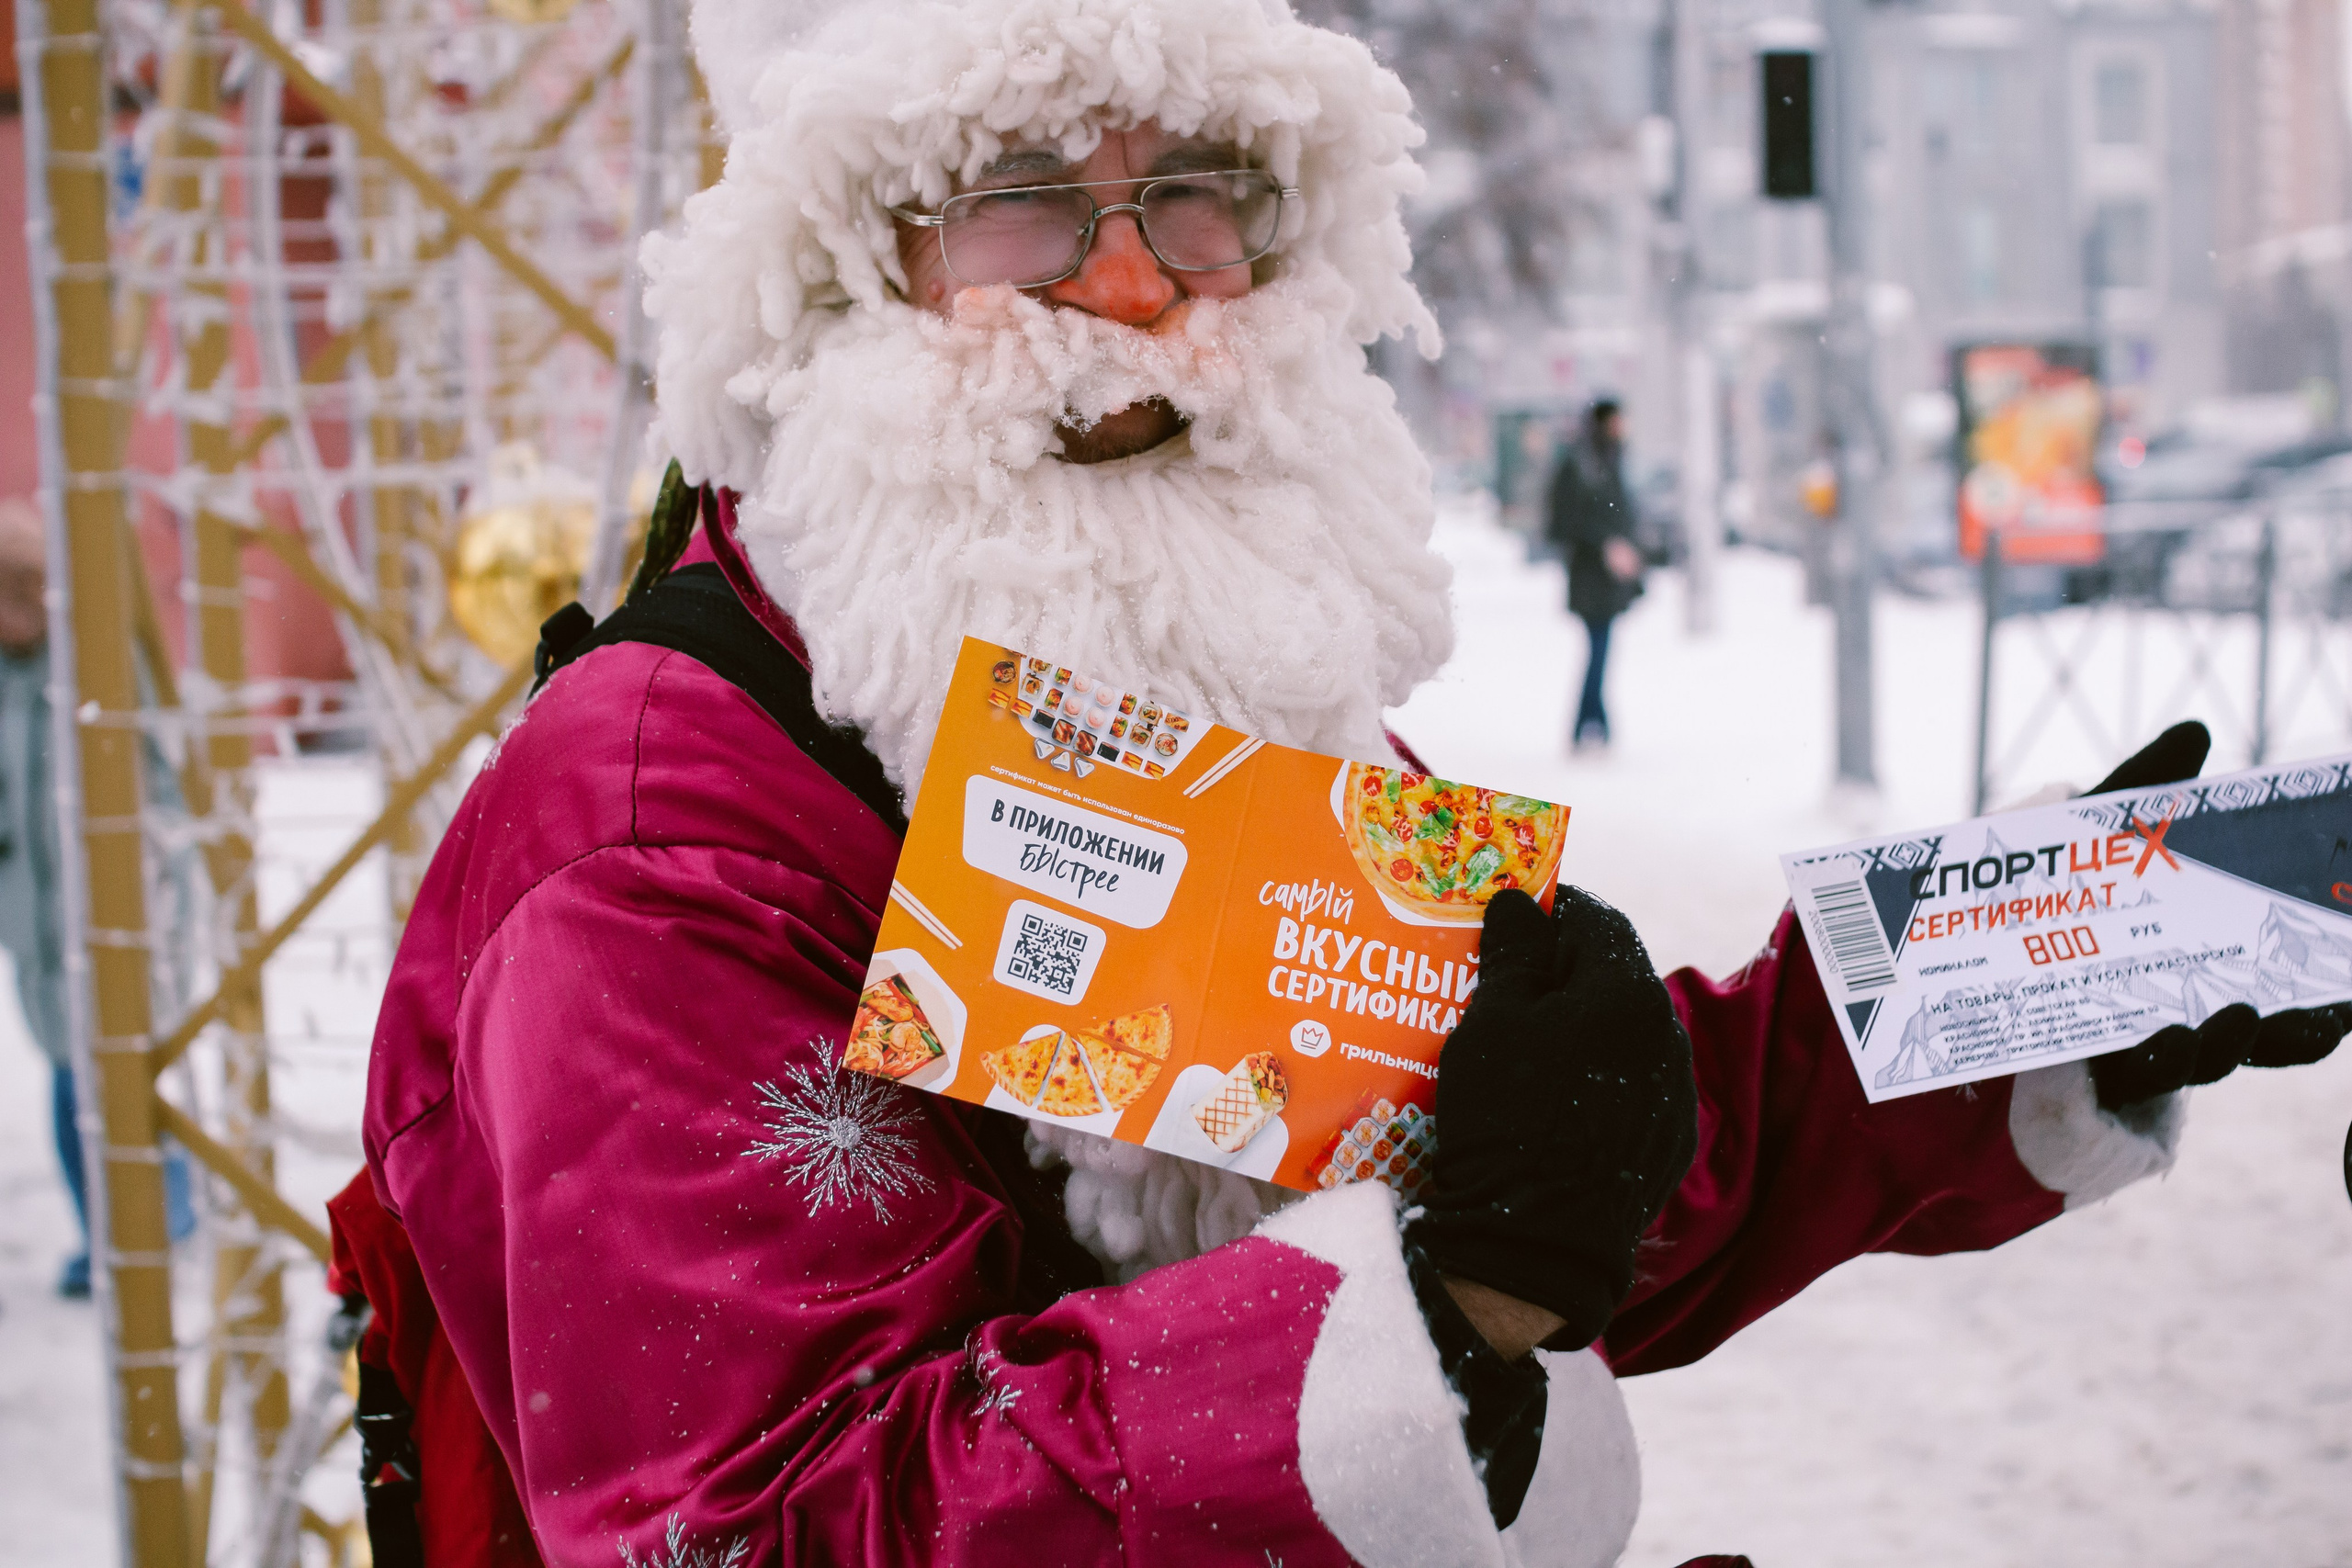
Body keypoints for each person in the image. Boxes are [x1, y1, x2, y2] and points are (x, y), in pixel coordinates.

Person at [349, 2, 2348, 1562]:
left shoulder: (1170, 645)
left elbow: (1546, 1154)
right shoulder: (652, 836)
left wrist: (2024, 981)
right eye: (1022, 194)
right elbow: (757, 1525)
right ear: (841, 276)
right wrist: (1446, 1288)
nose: (1133, 290)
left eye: (1196, 191)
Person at [0, 499, 192, 1299]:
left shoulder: (97, 655)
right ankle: (114, 1226)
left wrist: (149, 869)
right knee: (69, 1074)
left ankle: (145, 1221)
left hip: (116, 907)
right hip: (36, 914)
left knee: (110, 1073)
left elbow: (161, 768)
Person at [1544, 398, 1644, 750]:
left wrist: (1628, 548)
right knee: (1599, 649)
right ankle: (1591, 724)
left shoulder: (1610, 459)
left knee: (1600, 649)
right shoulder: (1582, 463)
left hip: (1607, 578)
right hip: (1590, 576)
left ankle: (1593, 723)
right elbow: (1563, 522)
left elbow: (1622, 514)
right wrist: (1605, 544)